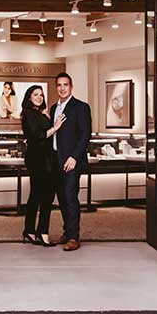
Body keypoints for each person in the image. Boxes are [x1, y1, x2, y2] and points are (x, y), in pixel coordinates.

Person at [50, 72, 92, 251]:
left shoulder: (81, 107)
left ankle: (74, 237)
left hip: (72, 162)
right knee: (62, 199)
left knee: (70, 198)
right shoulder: (53, 108)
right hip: (56, 161)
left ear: (71, 86)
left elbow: (85, 135)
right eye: (59, 85)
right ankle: (67, 232)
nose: (62, 88)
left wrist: (74, 157)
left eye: (65, 85)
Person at [20, 85, 64, 246]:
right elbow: (36, 137)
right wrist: (55, 127)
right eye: (35, 94)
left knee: (37, 196)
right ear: (29, 97)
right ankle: (41, 232)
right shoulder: (29, 114)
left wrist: (46, 117)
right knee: (45, 197)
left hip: (44, 159)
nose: (39, 97)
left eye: (41, 94)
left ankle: (30, 230)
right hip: (38, 160)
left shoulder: (38, 113)